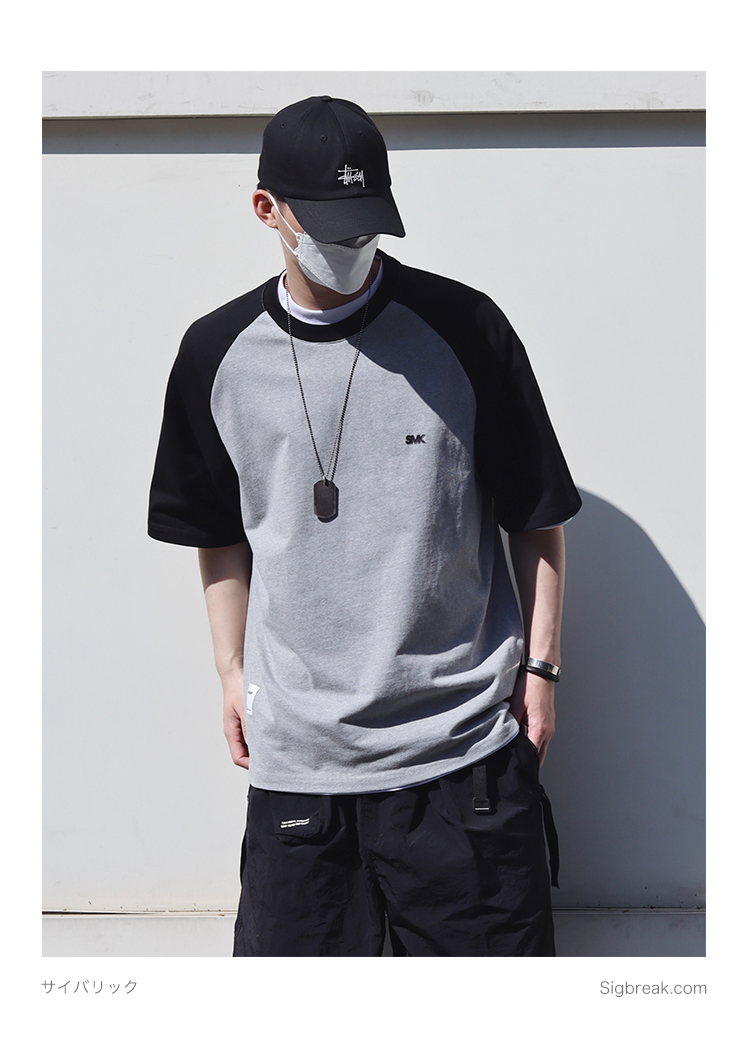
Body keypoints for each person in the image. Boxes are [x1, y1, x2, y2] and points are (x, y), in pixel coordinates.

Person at [148, 94, 582, 957]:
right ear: (267, 209)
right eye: (328, 224)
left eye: (366, 224)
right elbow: (216, 531)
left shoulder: (465, 329)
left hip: (463, 760)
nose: (350, 245)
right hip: (299, 773)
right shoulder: (215, 354)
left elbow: (535, 517)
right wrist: (232, 672)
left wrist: (541, 671)